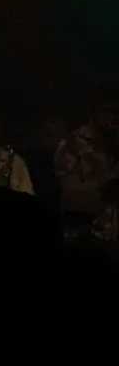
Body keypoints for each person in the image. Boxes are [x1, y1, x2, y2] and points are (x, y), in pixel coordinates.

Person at [55, 89, 119, 249]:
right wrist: (108, 181)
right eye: (106, 111)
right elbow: (70, 195)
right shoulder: (72, 144)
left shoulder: (113, 144)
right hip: (84, 238)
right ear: (93, 112)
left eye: (115, 112)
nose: (112, 118)